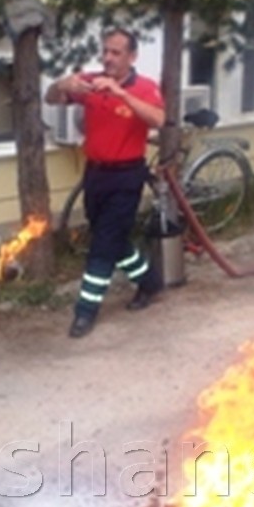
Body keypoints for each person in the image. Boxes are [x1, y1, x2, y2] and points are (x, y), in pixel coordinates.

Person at [44, 27, 165, 338]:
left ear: (132, 57)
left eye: (116, 52)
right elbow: (51, 98)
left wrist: (121, 93)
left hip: (127, 175)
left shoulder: (145, 87)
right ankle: (151, 282)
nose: (108, 58)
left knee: (101, 246)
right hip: (95, 174)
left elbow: (158, 120)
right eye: (106, 51)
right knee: (110, 239)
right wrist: (62, 84)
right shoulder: (90, 82)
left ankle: (85, 312)